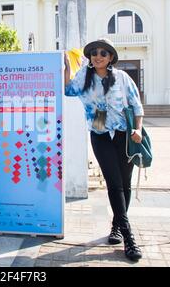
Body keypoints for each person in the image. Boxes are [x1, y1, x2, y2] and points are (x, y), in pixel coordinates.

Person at [64, 38, 144, 262]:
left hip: (122, 132)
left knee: (124, 184)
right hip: (99, 129)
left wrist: (137, 129)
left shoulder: (121, 77)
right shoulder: (84, 75)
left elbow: (137, 106)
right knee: (114, 183)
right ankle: (129, 236)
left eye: (103, 53)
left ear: (110, 57)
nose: (97, 56)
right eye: (94, 53)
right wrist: (69, 69)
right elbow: (68, 90)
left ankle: (116, 226)